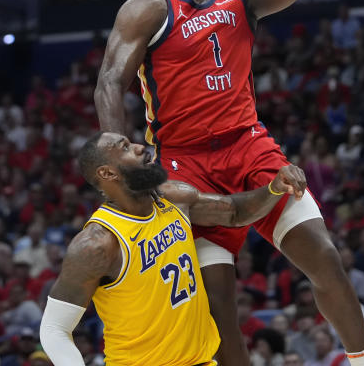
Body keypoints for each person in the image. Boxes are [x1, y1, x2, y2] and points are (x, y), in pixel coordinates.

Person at [95, 0, 364, 366]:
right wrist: (122, 161)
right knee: (217, 305)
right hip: (184, 162)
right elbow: (108, 82)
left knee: (324, 257)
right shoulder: (148, 8)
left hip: (249, 147)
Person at [39, 132, 307, 366]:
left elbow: (234, 212)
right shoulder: (98, 243)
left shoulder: (173, 198)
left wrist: (274, 188)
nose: (140, 146)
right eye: (125, 147)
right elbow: (54, 328)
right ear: (108, 173)